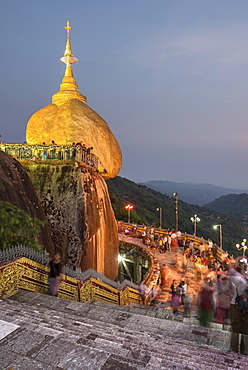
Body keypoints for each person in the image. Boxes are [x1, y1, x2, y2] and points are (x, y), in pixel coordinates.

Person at [228, 266, 248, 354]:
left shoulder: (239, 279)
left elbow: (228, 277)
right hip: (246, 309)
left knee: (235, 328)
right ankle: (245, 350)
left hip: (237, 307)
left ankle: (234, 348)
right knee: (246, 330)